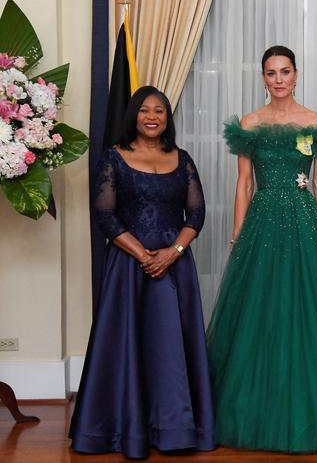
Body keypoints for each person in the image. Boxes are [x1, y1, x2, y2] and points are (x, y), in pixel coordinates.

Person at [205, 45, 317, 453]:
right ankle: (254, 410)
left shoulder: (314, 122)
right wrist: (236, 234)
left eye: (285, 72)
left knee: (307, 311)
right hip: (262, 222)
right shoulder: (250, 123)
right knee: (259, 314)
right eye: (270, 73)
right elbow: (244, 183)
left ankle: (314, 410)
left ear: (296, 75)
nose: (278, 79)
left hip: (303, 222)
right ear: (263, 78)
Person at [69, 86, 215, 458]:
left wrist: (172, 253)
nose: (153, 117)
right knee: (127, 345)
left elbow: (196, 214)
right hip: (128, 266)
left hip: (174, 267)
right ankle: (124, 432)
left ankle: (174, 428)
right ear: (134, 115)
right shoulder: (113, 158)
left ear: (168, 118)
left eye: (160, 111)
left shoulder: (182, 159)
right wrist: (144, 255)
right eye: (146, 110)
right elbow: (105, 215)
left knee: (170, 349)